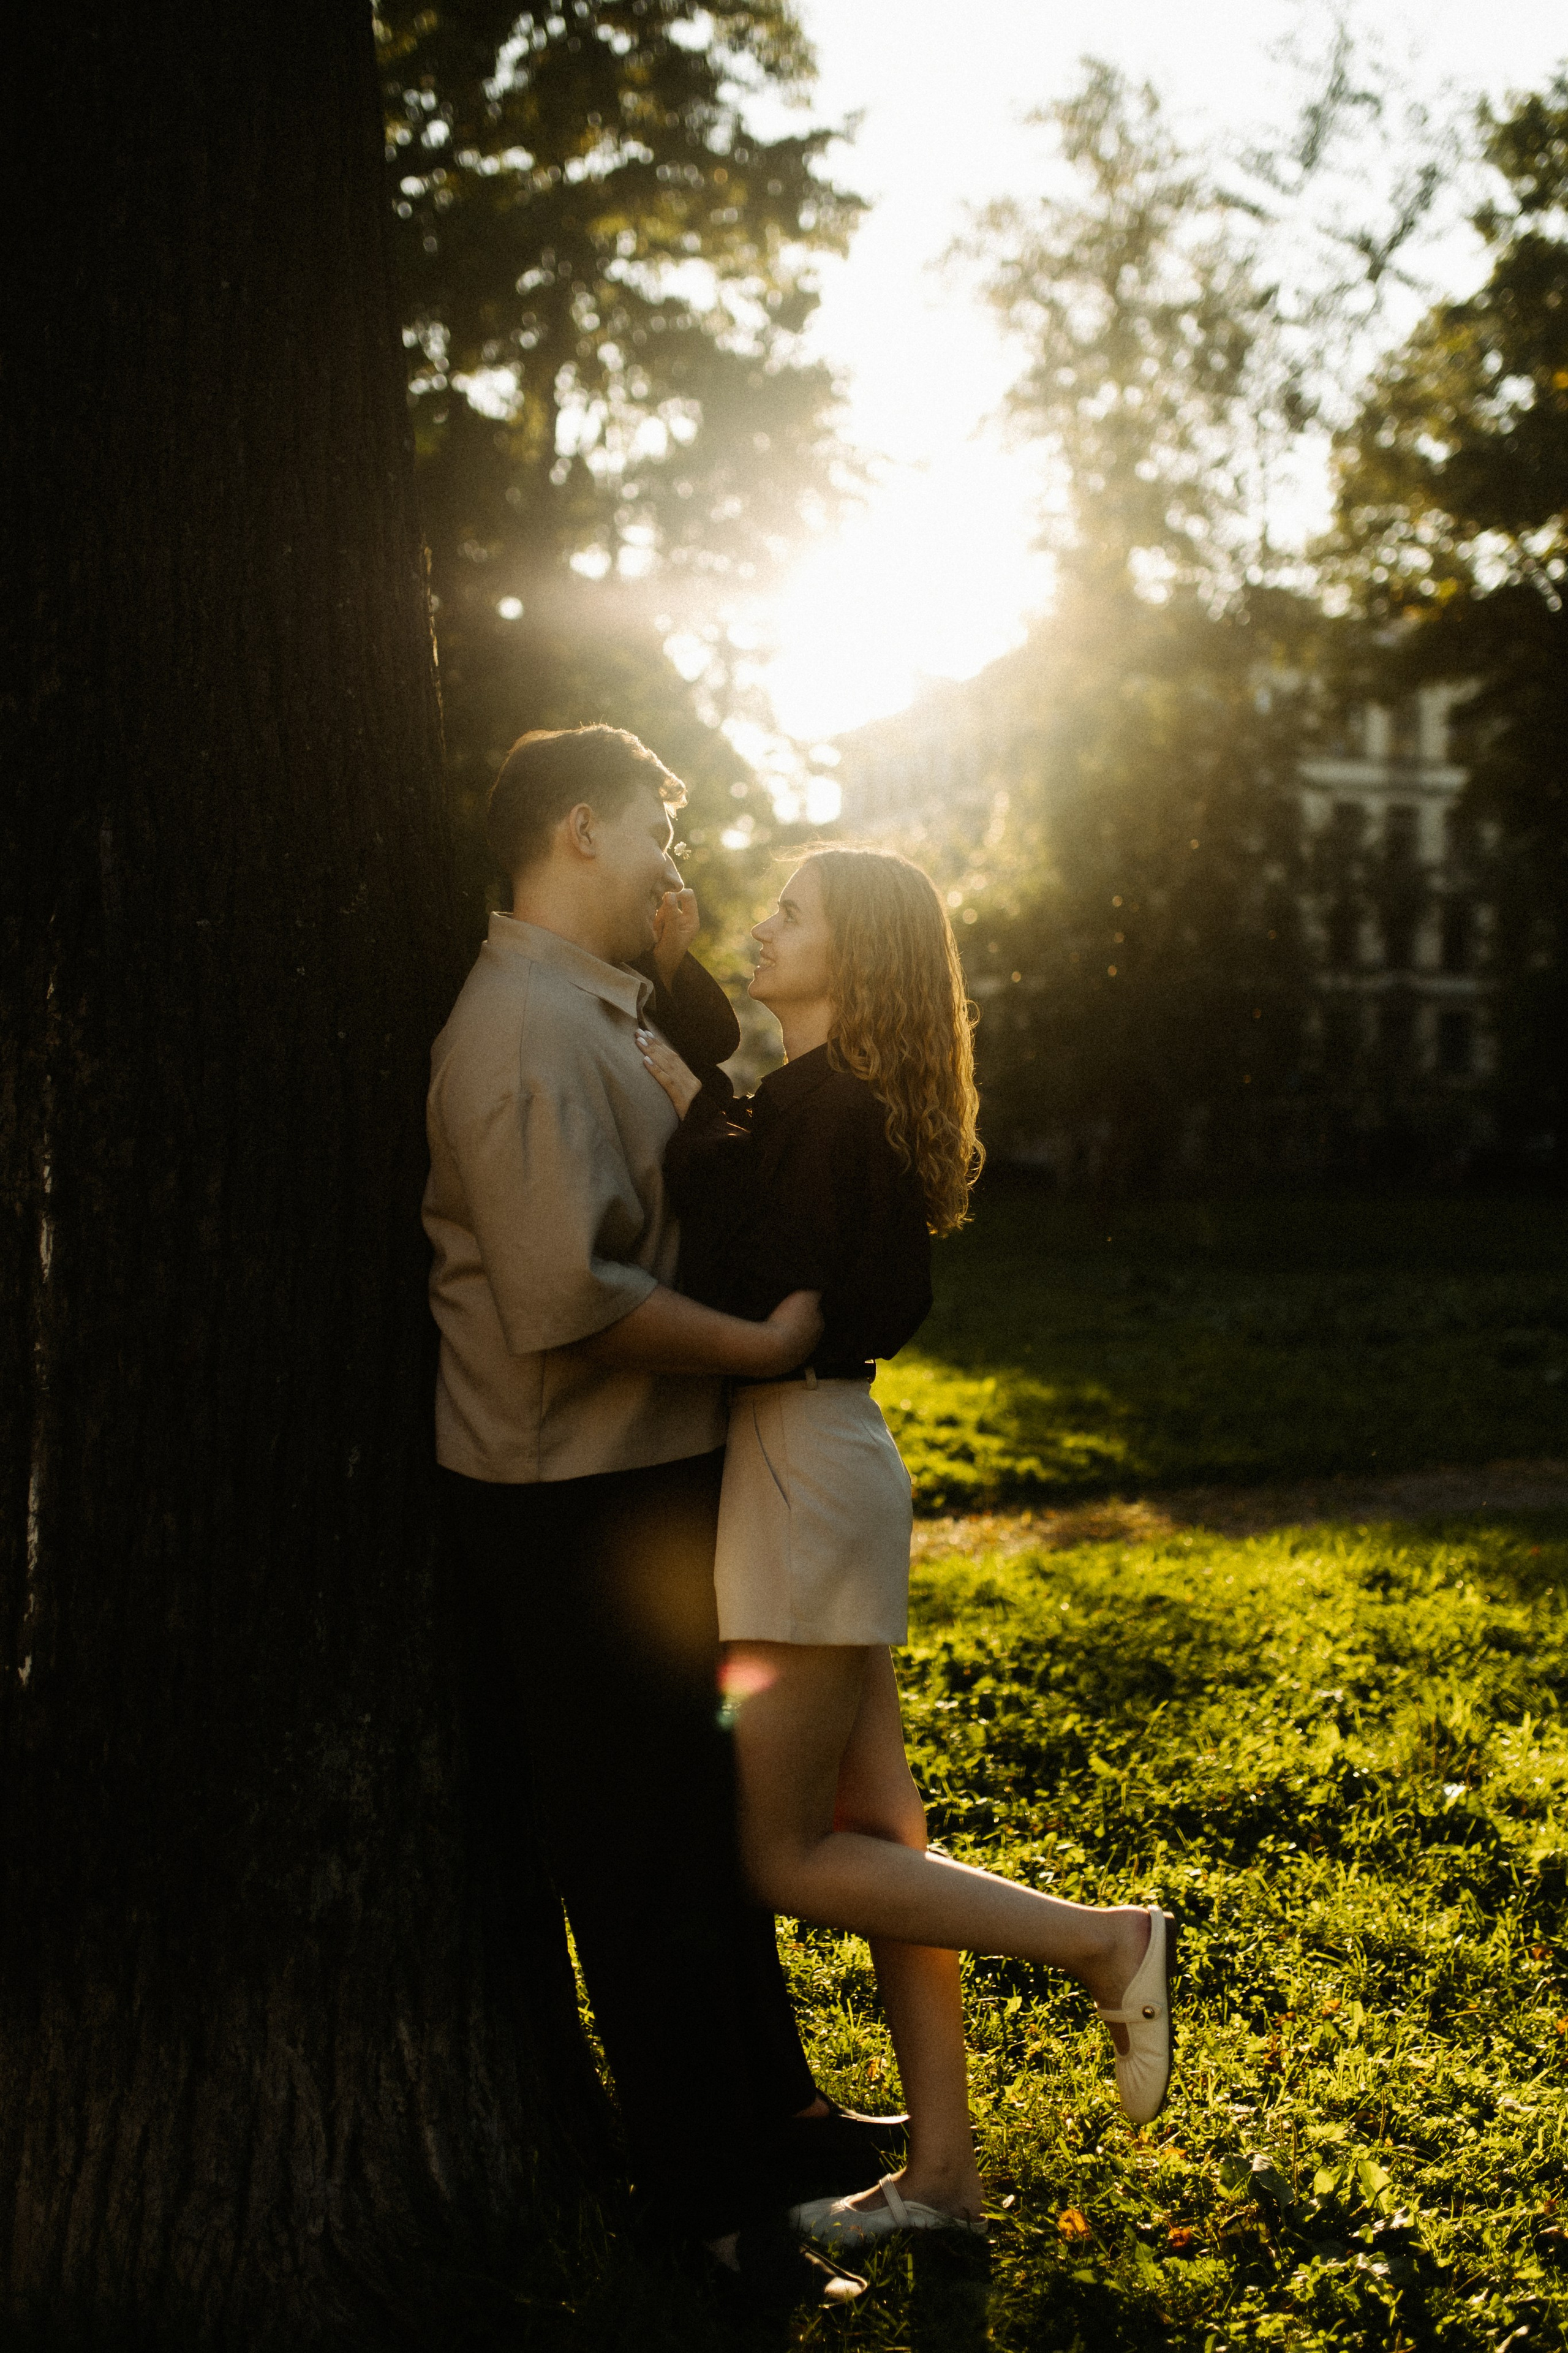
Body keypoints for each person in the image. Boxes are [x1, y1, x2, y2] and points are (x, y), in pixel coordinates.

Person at [636, 845, 1177, 2256]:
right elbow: (749, 1155)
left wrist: (684, 1114)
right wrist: (683, 997)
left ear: (857, 953)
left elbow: (755, 1276)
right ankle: (941, 2176)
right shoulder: (822, 1102)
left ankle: (1100, 1941)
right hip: (812, 1464)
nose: (762, 925)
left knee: (779, 1852)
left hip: (800, 1467)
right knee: (882, 1837)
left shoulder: (828, 1117)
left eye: (790, 915)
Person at [424, 726, 892, 2311]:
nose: (676, 868)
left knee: (700, 1828)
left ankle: (782, 2120)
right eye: (654, 833)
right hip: (568, 1496)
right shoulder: (517, 1029)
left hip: (648, 1477)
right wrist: (763, 1350)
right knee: (638, 1858)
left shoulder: (597, 1008)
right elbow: (568, 1298)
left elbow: (714, 1150)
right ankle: (708, 2214)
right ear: (574, 832)